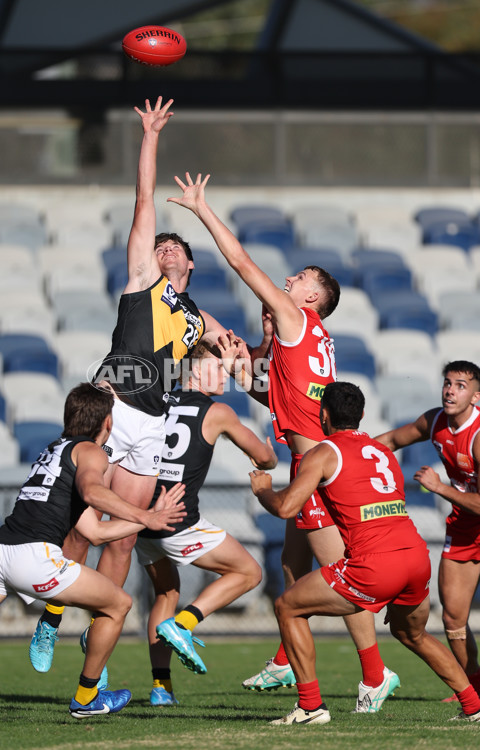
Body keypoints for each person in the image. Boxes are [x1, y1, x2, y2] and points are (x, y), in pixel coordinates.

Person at [167, 171, 399, 711]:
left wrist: (202, 211)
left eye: (297, 278)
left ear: (313, 295)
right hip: (314, 462)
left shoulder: (297, 317)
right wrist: (238, 365)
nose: (287, 282)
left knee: (345, 580)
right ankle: (280, 663)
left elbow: (243, 264)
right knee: (292, 571)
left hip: (316, 470)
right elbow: (279, 397)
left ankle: (374, 674)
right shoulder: (306, 341)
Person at [29, 98, 228, 673]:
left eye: (175, 247)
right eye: (160, 245)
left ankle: (101, 632)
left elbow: (239, 351)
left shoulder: (197, 316)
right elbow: (144, 199)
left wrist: (242, 355)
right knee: (81, 520)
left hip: (153, 422)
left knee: (122, 537)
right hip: (113, 404)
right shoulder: (144, 281)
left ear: (190, 263)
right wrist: (150, 136)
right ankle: (50, 615)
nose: (164, 247)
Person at [0, 383, 187, 720]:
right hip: (34, 558)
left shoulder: (54, 449)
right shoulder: (92, 452)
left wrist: (147, 521)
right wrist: (145, 514)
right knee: (119, 604)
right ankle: (86, 698)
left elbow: (95, 533)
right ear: (108, 424)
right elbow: (93, 490)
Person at [249, 380, 480, 725]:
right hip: (416, 557)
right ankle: (474, 706)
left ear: (323, 414)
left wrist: (264, 490)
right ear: (361, 415)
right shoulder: (381, 451)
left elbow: (285, 508)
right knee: (412, 634)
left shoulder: (324, 453)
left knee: (287, 606)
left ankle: (310, 707)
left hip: (375, 564)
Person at [134, 342, 277, 705]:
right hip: (178, 520)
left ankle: (161, 689)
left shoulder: (158, 400)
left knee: (166, 593)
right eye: (217, 368)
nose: (225, 374)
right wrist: (269, 448)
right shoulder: (218, 412)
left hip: (144, 518)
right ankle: (184, 624)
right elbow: (266, 460)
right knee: (249, 573)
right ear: (195, 372)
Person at [375, 360, 480, 701]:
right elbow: (391, 438)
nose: (450, 390)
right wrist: (349, 453)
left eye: (461, 385)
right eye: (448, 383)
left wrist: (440, 488)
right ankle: (474, 686)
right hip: (466, 526)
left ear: (476, 397)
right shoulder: (435, 420)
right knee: (453, 618)